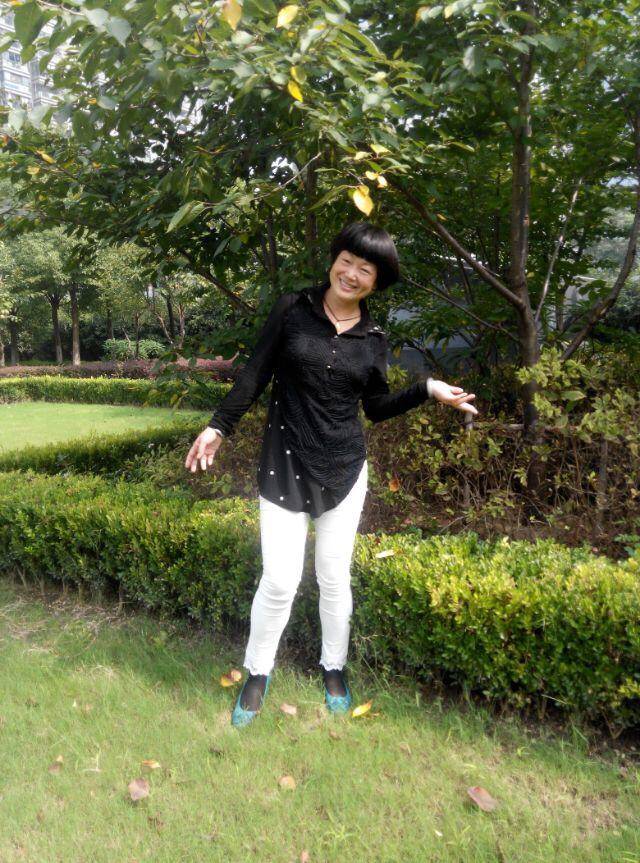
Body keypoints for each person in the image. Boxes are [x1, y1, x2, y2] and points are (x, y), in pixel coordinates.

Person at [184, 222, 478, 727]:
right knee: (280, 580)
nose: (352, 273)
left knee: (334, 577)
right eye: (347, 260)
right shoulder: (292, 309)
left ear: (376, 282)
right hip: (284, 464)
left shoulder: (373, 338)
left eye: (366, 269)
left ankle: (334, 667)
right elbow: (255, 373)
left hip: (345, 470)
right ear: (333, 260)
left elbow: (377, 407)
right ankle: (257, 672)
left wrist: (427, 388)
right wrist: (219, 427)